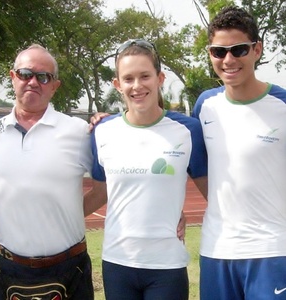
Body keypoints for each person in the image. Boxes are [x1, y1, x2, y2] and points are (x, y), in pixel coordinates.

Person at [84, 39, 208, 300]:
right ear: (118, 84)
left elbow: (214, 193)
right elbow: (98, 194)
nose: (137, 86)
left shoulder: (188, 130)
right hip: (117, 262)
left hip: (167, 266)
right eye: (128, 79)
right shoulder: (102, 132)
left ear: (160, 78)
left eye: (145, 76)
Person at [192, 6, 286, 300]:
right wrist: (109, 119)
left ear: (257, 49)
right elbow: (199, 166)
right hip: (216, 251)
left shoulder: (282, 104)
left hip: (272, 251)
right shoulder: (205, 105)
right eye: (219, 52)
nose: (228, 60)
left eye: (239, 49)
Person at [0, 44, 94, 299]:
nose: (33, 82)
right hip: (11, 271)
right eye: (25, 74)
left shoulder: (78, 132)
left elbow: (107, 186)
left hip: (70, 269)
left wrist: (65, 215)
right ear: (13, 77)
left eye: (43, 77)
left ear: (55, 85)